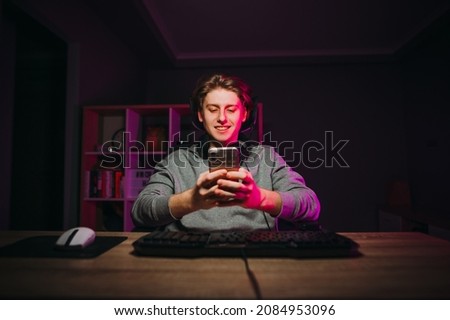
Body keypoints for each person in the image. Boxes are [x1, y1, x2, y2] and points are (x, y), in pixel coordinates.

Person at [132, 74, 320, 232]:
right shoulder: (176, 162)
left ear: (244, 114)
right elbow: (141, 211)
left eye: (231, 110)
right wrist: (191, 200)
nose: (222, 118)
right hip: (189, 260)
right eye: (213, 110)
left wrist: (259, 199)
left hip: (256, 255)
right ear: (200, 115)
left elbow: (311, 206)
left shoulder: (267, 158)